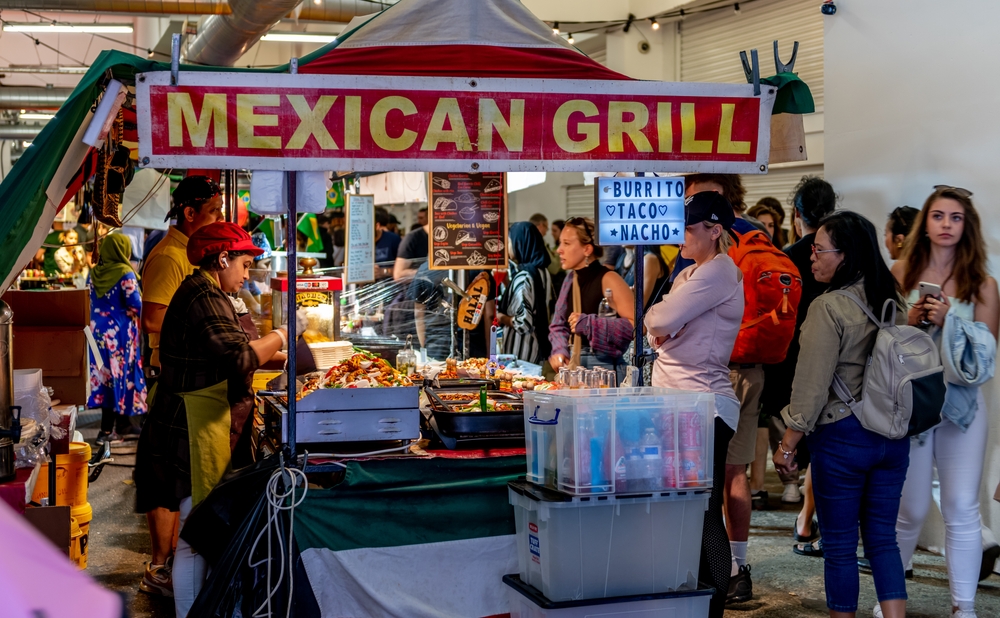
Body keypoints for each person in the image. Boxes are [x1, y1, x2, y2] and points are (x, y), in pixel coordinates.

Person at [134, 222, 286, 617]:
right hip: (191, 427)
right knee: (195, 538)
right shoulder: (203, 295)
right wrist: (284, 335)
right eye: (243, 263)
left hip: (193, 420)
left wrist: (289, 355)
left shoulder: (204, 290)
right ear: (222, 259)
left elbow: (233, 349)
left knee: (197, 535)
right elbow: (238, 358)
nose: (246, 274)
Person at [774, 210, 909, 618]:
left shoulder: (828, 307)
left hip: (843, 438)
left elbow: (811, 389)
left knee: (839, 547)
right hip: (893, 439)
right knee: (884, 541)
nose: (811, 257)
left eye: (819, 250)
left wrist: (787, 445)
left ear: (845, 255)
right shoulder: (894, 299)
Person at [889, 186, 999, 618]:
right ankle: (891, 601)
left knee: (961, 507)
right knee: (908, 507)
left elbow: (986, 357)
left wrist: (950, 318)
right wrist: (911, 318)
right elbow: (881, 338)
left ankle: (964, 608)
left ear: (967, 226)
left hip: (963, 409)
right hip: (912, 405)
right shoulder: (899, 272)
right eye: (939, 216)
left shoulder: (984, 285)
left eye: (956, 217)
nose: (947, 225)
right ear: (926, 223)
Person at [644, 191, 743, 618]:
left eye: (688, 227)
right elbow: (655, 329)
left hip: (704, 407)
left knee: (703, 511)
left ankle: (716, 603)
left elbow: (658, 320)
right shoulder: (691, 274)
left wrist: (662, 324)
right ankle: (696, 601)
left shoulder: (719, 272)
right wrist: (660, 325)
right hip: (682, 406)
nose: (679, 236)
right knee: (688, 510)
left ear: (715, 230)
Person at [137, 174, 223, 598]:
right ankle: (158, 565)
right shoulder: (170, 256)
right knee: (166, 476)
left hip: (187, 375)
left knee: (175, 477)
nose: (217, 220)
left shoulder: (186, 253)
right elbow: (152, 318)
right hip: (168, 374)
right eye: (213, 213)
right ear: (189, 213)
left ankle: (168, 563)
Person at [758, 176, 837, 549]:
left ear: (795, 213)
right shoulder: (846, 255)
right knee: (825, 448)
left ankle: (811, 520)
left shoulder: (788, 257)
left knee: (811, 443)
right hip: (841, 368)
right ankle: (811, 519)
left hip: (798, 362)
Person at [548, 217, 634, 380]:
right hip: (576, 369)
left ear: (587, 249)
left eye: (566, 243)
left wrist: (590, 324)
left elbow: (636, 326)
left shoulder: (609, 278)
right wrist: (559, 349)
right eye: (561, 243)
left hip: (605, 373)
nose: (559, 250)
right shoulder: (570, 280)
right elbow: (558, 324)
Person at [88, 234, 147, 445]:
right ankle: (123, 425)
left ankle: (106, 430)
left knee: (106, 379)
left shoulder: (93, 273)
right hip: (120, 335)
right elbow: (136, 305)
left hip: (97, 334)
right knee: (122, 378)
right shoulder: (126, 274)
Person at [497, 222, 552, 364]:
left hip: (520, 353)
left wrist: (502, 318)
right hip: (537, 348)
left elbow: (523, 323)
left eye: (509, 242)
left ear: (520, 243)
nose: (508, 247)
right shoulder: (543, 272)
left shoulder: (524, 276)